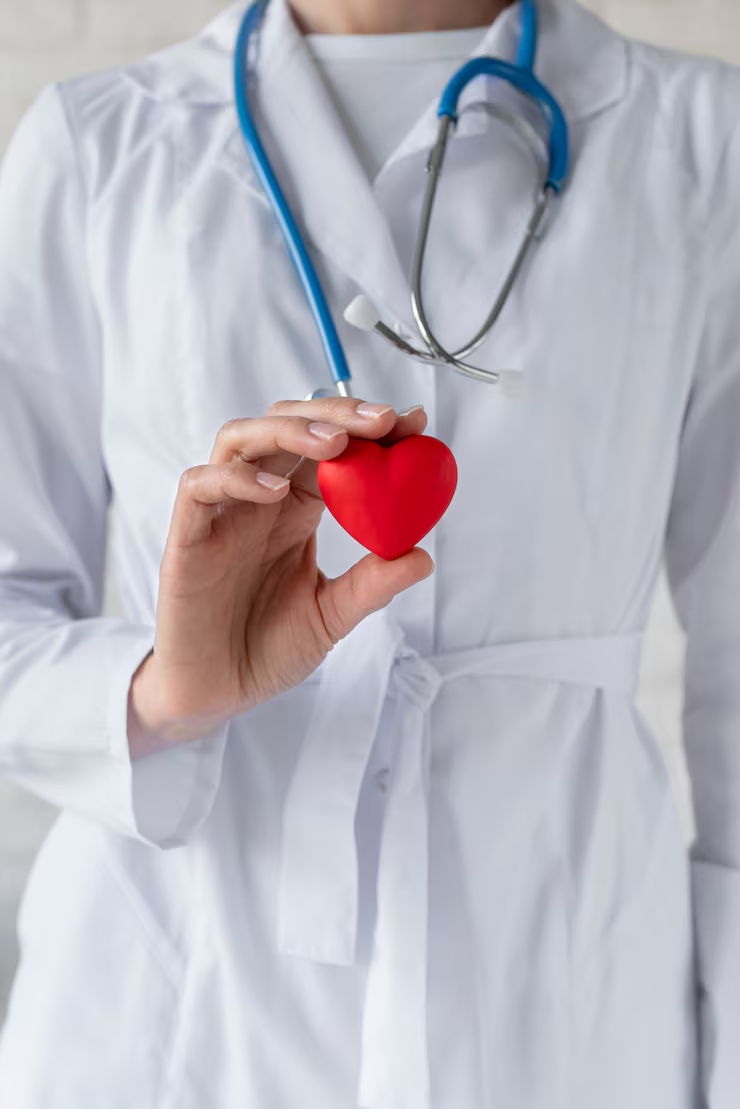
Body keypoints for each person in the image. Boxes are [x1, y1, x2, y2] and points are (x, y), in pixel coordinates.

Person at [0, 0, 738, 1104]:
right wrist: (163, 691)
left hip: (569, 974)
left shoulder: (700, 138)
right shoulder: (101, 138)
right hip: (172, 1000)